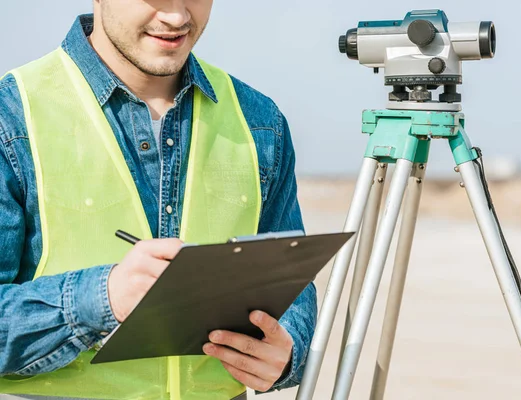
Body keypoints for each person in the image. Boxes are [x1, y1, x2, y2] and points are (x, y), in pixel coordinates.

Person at [0, 1, 317, 399]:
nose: (177, 17)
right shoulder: (11, 116)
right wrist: (102, 297)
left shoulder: (260, 120)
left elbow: (290, 280)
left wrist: (286, 352)